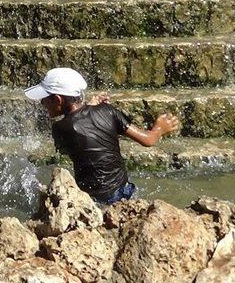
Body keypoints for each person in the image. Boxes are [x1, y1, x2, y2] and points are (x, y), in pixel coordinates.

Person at [25, 68, 180, 205]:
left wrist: (87, 109)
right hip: (124, 190)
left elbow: (66, 146)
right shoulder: (107, 111)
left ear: (58, 100)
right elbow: (149, 140)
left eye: (44, 98)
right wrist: (160, 128)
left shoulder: (60, 128)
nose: (42, 103)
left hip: (94, 199)